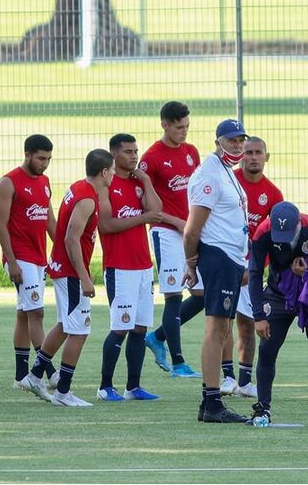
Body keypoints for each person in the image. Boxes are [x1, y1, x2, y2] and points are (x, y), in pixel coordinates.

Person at [26, 149, 115, 407]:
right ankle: (63, 393)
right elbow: (71, 238)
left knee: (66, 325)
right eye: (110, 171)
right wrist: (84, 277)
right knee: (80, 331)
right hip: (70, 273)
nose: (112, 176)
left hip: (63, 269)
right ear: (104, 171)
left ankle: (34, 375)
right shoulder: (87, 199)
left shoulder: (79, 187)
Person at [248, 201, 308, 428]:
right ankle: (263, 408)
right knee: (267, 350)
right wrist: (259, 316)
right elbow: (254, 273)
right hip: (277, 294)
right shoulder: (263, 232)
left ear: (299, 223)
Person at [183, 118, 252, 423]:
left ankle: (209, 402)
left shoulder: (224, 172)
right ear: (218, 142)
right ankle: (211, 403)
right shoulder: (210, 175)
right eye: (232, 140)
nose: (237, 145)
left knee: (222, 329)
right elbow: (191, 230)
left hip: (229, 257)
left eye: (240, 140)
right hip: (218, 256)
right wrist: (191, 263)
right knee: (216, 330)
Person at [96, 134, 164, 402]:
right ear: (114, 154)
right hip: (119, 267)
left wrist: (146, 181)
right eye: (127, 152)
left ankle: (133, 387)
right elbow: (107, 225)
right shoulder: (106, 185)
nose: (134, 156)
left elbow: (156, 211)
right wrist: (143, 217)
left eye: (136, 151)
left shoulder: (138, 183)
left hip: (144, 267)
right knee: (120, 327)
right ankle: (105, 386)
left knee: (140, 328)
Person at [140, 101, 205, 378]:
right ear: (165, 124)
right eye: (179, 127)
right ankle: (179, 363)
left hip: (190, 231)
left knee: (202, 295)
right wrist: (174, 221)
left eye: (187, 127)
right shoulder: (151, 157)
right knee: (174, 296)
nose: (184, 132)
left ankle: (157, 337)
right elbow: (145, 204)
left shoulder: (191, 152)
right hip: (165, 232)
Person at [0, 134, 56, 398]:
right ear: (27, 154)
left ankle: (21, 375)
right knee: (37, 313)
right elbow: (0, 224)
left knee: (24, 313)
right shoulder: (9, 182)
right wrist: (11, 260)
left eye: (49, 159)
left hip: (39, 258)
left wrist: (60, 255)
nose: (45, 164)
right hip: (21, 258)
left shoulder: (44, 182)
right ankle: (48, 371)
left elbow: (49, 220)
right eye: (41, 158)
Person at [226, 135, 285, 398]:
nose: (252, 157)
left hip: (252, 267)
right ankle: (227, 378)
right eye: (247, 152)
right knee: (221, 321)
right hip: (225, 259)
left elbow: (275, 239)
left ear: (266, 157)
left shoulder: (273, 194)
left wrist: (256, 270)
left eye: (257, 152)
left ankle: (245, 381)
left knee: (249, 324)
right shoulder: (229, 181)